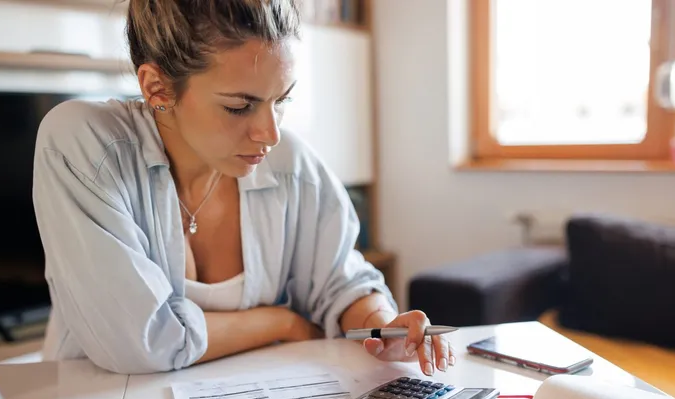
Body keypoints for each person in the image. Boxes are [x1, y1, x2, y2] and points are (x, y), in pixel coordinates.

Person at [32, 0, 455, 375]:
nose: (269, 134)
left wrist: (383, 325)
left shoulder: (292, 163)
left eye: (282, 100)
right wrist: (280, 322)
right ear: (157, 88)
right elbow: (139, 343)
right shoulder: (84, 143)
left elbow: (341, 284)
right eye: (239, 106)